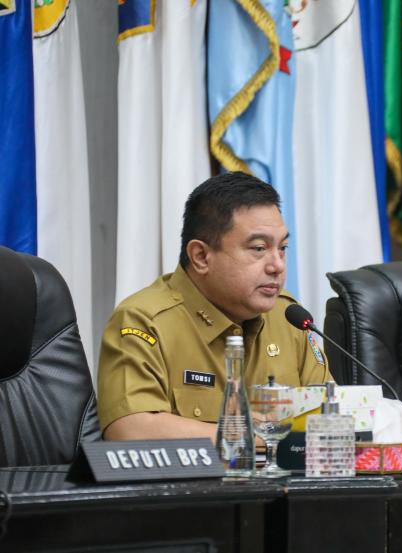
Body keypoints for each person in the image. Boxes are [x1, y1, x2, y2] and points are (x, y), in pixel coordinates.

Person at [97, 172, 331, 441]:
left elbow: (330, 416)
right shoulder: (144, 321)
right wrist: (254, 435)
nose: (277, 265)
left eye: (283, 248)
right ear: (201, 257)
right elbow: (130, 430)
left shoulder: (288, 316)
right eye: (258, 248)